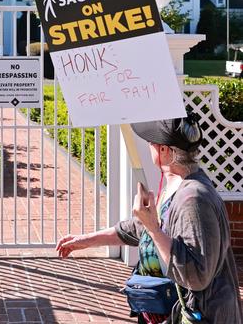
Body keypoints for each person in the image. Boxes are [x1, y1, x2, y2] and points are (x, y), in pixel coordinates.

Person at [56, 114, 242, 323]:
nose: (149, 147)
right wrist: (85, 241)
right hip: (167, 309)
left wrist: (154, 228)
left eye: (152, 143)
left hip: (200, 315)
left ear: (165, 151)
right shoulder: (177, 184)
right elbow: (137, 229)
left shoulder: (193, 199)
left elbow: (196, 276)